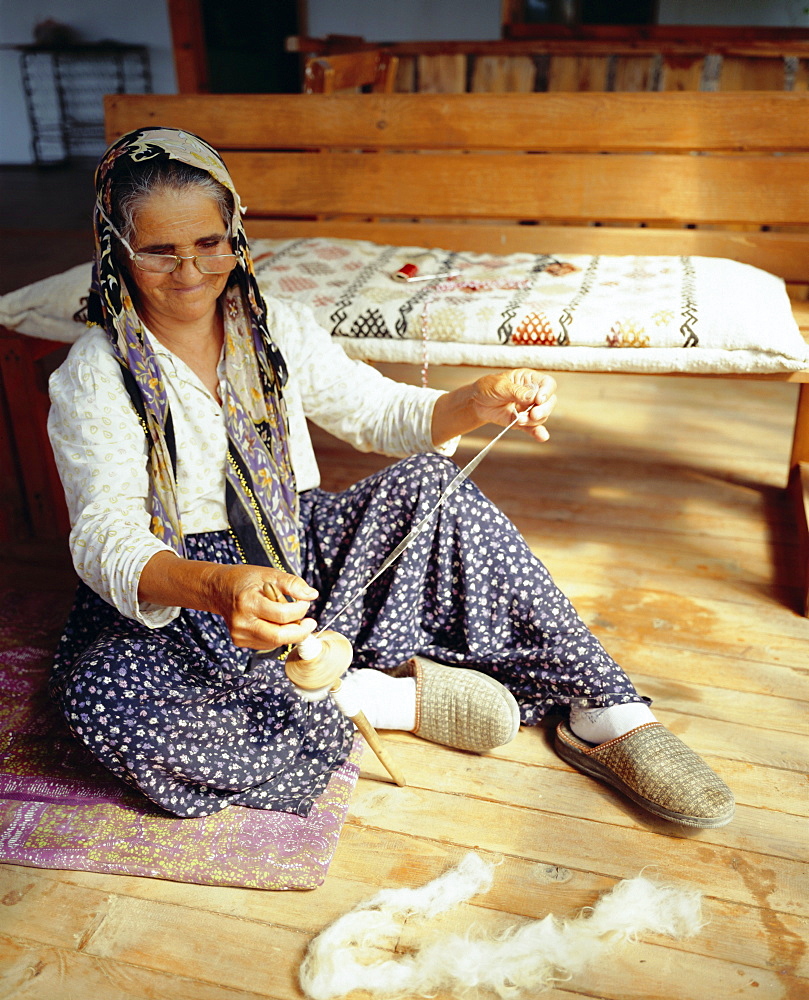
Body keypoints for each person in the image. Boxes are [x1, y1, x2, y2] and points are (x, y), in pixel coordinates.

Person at [47, 127, 734, 829]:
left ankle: (603, 711)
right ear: (116, 250)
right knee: (105, 698)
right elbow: (105, 535)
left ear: (237, 234)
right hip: (184, 594)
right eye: (160, 251)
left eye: (209, 243)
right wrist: (217, 588)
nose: (190, 272)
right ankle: (377, 697)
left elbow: (376, 412)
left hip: (296, 554)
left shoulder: (271, 326)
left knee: (431, 487)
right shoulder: (96, 374)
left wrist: (476, 400)